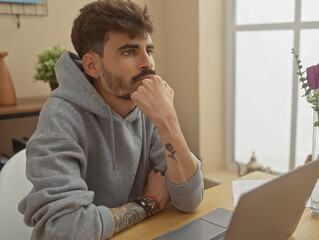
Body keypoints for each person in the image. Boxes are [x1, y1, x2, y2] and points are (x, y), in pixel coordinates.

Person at [18, 0, 204, 239]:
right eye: (129, 51)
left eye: (148, 50)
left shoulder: (150, 107)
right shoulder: (60, 117)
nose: (148, 63)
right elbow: (65, 229)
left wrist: (169, 122)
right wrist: (148, 203)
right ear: (92, 65)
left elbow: (190, 200)